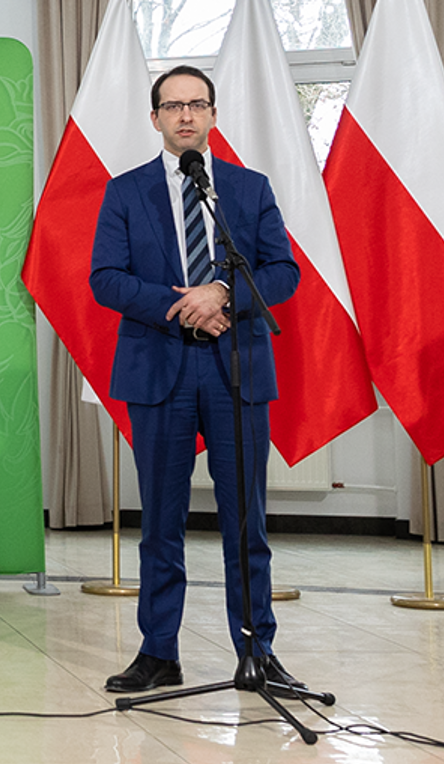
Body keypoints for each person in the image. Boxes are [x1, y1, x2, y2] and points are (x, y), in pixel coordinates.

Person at [90, 66, 301, 694]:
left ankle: (257, 652)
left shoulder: (247, 188)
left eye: (197, 104)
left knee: (246, 522)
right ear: (155, 118)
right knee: (161, 521)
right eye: (173, 105)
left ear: (212, 114)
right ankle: (159, 652)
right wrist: (183, 304)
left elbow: (282, 271)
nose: (186, 115)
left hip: (236, 370)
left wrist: (222, 294)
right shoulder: (125, 192)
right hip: (160, 370)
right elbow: (106, 278)